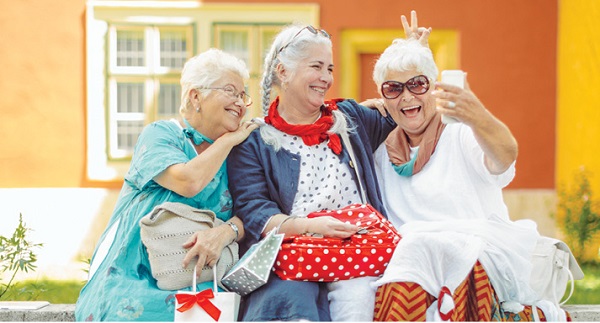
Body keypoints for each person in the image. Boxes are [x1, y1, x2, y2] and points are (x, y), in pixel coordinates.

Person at [368, 12, 568, 321]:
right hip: (412, 266)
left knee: (429, 253)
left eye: (418, 84)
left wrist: (476, 114)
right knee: (413, 254)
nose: (406, 96)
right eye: (393, 89)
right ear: (382, 96)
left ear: (434, 86)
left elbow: (505, 156)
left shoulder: (461, 132)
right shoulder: (382, 152)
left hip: (475, 251)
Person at [226, 24, 397, 321]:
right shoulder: (254, 140)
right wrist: (312, 227)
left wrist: (411, 54)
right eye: (316, 66)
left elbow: (404, 107)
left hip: (360, 252)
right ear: (283, 71)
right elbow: (256, 212)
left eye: (329, 68)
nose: (326, 78)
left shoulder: (351, 119)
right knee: (291, 306)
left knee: (358, 303)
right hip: (295, 254)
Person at [74, 48, 258, 321]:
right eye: (231, 91)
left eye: (243, 95)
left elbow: (253, 212)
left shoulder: (240, 154)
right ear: (196, 96)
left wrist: (226, 232)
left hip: (201, 277)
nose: (241, 103)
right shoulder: (161, 135)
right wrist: (228, 141)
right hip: (133, 277)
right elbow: (188, 180)